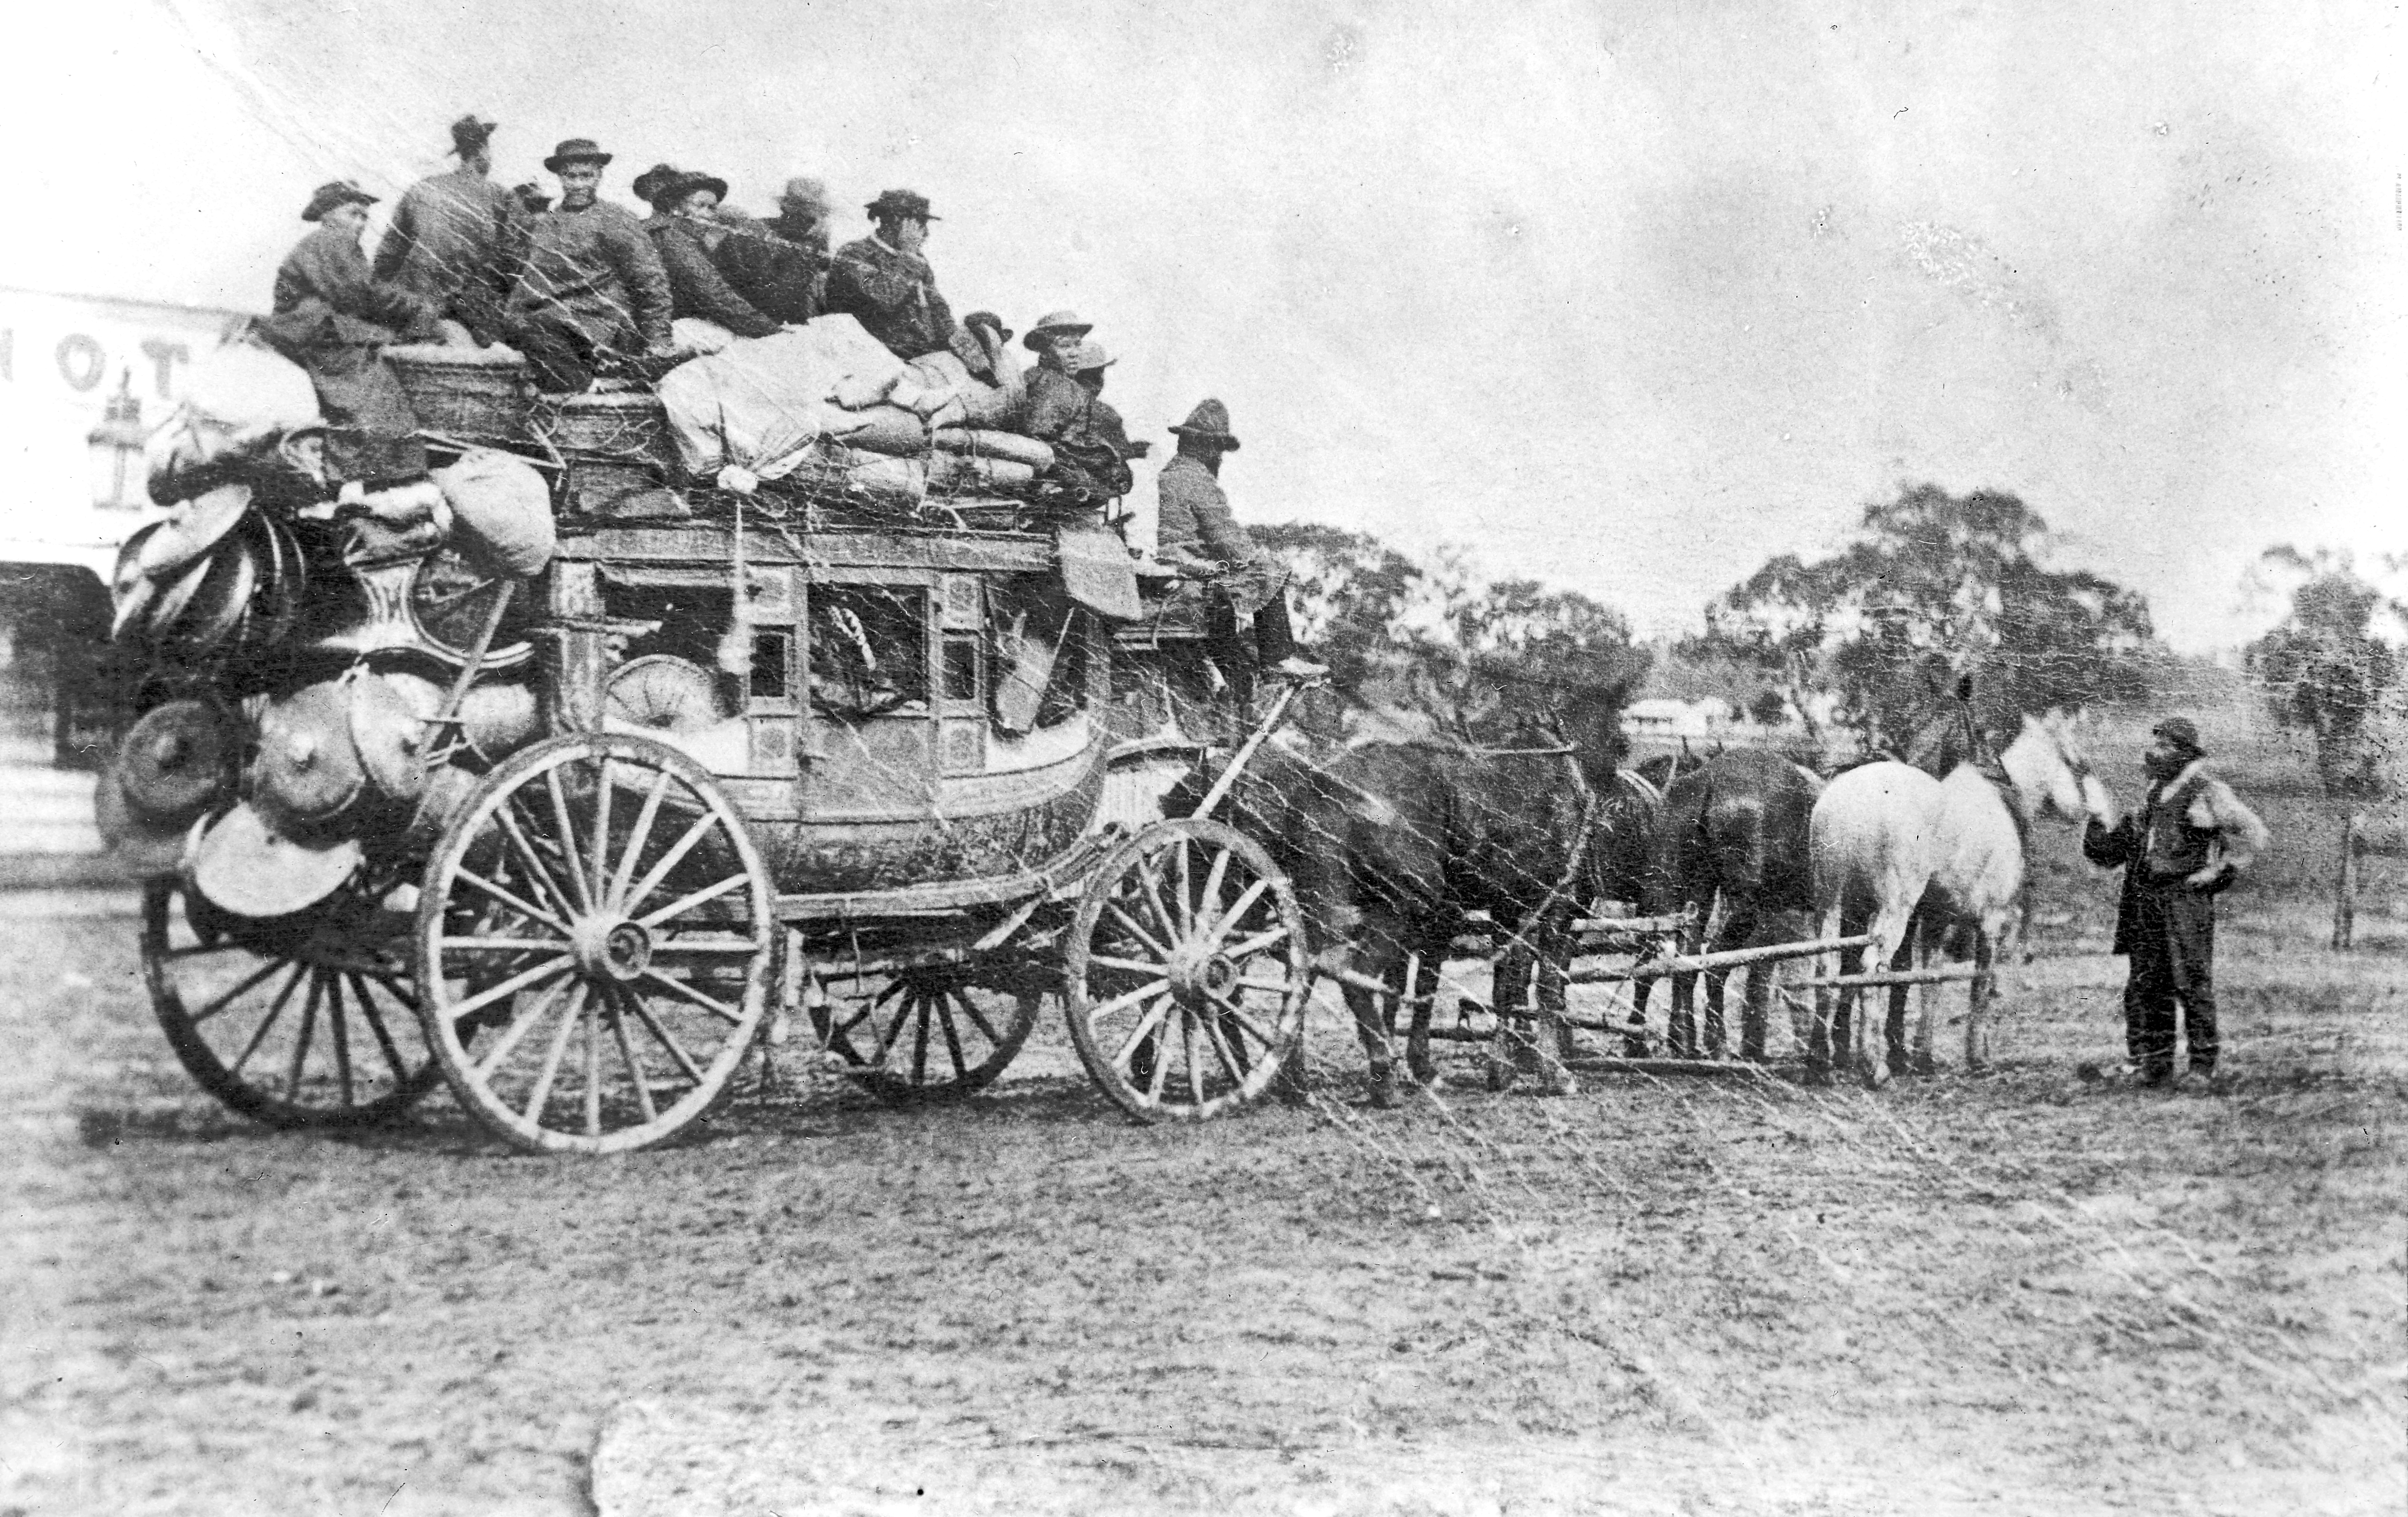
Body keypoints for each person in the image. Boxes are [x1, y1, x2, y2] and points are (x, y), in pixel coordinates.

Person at [2081, 716, 2270, 1089]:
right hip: (2147, 900)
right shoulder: (2154, 794)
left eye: (2167, 746)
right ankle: (2153, 1066)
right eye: (2157, 744)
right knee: (2146, 983)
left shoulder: (2206, 790)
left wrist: (2219, 871)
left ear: (2185, 754)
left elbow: (2253, 831)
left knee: (2191, 981)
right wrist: (2097, 819)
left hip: (2185, 902)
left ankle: (2202, 1067)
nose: (2157, 752)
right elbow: (2113, 850)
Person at [258, 180, 443, 485]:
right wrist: (414, 306)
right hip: (315, 331)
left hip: (318, 328)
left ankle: (371, 473)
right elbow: (359, 294)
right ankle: (362, 477)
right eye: (353, 214)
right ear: (328, 214)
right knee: (372, 395)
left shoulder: (330, 244)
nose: (360, 223)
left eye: (364, 217)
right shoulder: (329, 242)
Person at [1153, 399, 1326, 686]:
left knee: (1230, 642)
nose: (1219, 458)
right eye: (1217, 450)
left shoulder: (1169, 475)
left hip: (1171, 564)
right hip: (1186, 568)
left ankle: (1242, 677)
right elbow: (1227, 538)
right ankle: (1277, 658)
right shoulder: (1197, 481)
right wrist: (1256, 558)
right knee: (1271, 571)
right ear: (1208, 448)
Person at [504, 138, 674, 393]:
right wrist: (511, 317)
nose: (579, 184)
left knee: (536, 334)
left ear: (599, 176)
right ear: (560, 177)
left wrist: (658, 342)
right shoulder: (546, 225)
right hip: (554, 322)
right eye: (571, 176)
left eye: (587, 176)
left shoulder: (616, 219)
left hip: (600, 326)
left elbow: (650, 283)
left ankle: (588, 388)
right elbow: (531, 280)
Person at [372, 114, 523, 347]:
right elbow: (516, 258)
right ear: (482, 150)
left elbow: (387, 257)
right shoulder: (501, 196)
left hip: (418, 305)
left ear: (460, 152)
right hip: (473, 308)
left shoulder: (421, 189)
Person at [633, 166, 779, 338]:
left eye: (712, 208)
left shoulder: (683, 236)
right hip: (658, 330)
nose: (709, 215)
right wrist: (772, 332)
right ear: (675, 208)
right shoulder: (666, 235)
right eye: (701, 205)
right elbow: (711, 291)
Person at [824, 189, 954, 358]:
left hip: (917, 353)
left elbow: (937, 309)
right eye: (920, 224)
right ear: (895, 221)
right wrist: (908, 255)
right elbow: (886, 299)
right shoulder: (854, 253)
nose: (926, 233)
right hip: (870, 354)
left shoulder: (915, 259)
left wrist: (954, 339)